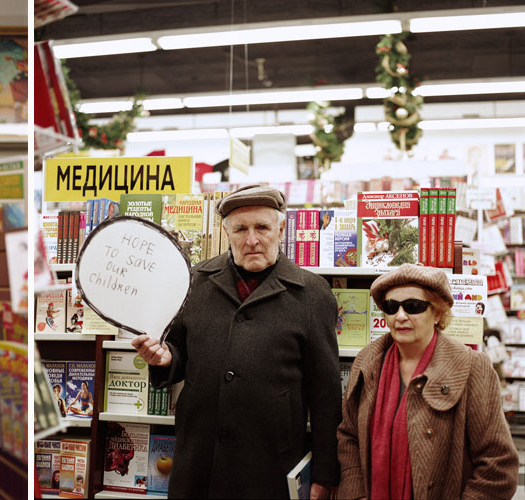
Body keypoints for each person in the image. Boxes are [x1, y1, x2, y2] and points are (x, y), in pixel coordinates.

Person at [131, 184, 340, 498]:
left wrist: (323, 474)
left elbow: (326, 394)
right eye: (241, 229)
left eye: (262, 228)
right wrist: (165, 359)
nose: (252, 239)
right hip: (199, 463)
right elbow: (177, 353)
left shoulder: (311, 294)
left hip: (271, 464)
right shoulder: (194, 283)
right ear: (226, 232)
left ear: (281, 229)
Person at [338, 264, 518, 499]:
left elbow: (499, 467)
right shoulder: (367, 362)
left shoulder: (471, 367)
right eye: (392, 307)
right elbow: (349, 436)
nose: (400, 316)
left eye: (414, 306)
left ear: (438, 313)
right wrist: (356, 494)